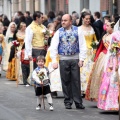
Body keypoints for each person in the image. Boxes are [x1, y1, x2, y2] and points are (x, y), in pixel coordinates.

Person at [50, 14, 86, 109]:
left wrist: (81, 59)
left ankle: (78, 102)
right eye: (62, 20)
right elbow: (53, 47)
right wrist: (54, 60)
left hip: (75, 59)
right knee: (65, 81)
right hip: (63, 59)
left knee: (76, 81)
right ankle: (68, 101)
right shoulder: (59, 32)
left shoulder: (78, 30)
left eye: (65, 20)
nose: (63, 22)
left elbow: (82, 45)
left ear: (70, 21)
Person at [85, 22, 115, 101]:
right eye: (106, 26)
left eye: (108, 26)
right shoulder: (104, 36)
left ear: (113, 27)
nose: (106, 27)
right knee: (99, 73)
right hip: (103, 56)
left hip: (111, 57)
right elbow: (101, 47)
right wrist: (96, 57)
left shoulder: (115, 36)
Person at [97, 30, 120, 111]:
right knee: (113, 80)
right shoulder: (116, 35)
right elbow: (113, 51)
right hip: (117, 59)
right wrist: (115, 63)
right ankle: (113, 103)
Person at [78, 12, 98, 95]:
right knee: (82, 70)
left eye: (89, 19)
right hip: (83, 52)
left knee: (90, 70)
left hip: (91, 52)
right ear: (82, 18)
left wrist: (96, 44)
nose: (88, 20)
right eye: (86, 19)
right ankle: (82, 89)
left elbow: (95, 39)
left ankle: (88, 89)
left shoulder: (92, 28)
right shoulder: (79, 29)